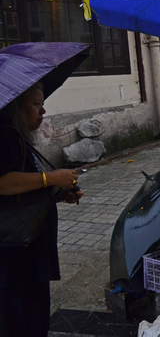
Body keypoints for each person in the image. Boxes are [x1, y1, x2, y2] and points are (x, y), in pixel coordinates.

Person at [0, 83, 83, 337]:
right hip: (15, 260)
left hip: (29, 252)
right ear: (16, 106)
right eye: (36, 104)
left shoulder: (17, 136)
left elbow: (22, 197)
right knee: (22, 321)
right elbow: (4, 182)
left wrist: (57, 195)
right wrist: (50, 178)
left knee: (34, 318)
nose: (43, 110)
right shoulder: (5, 137)